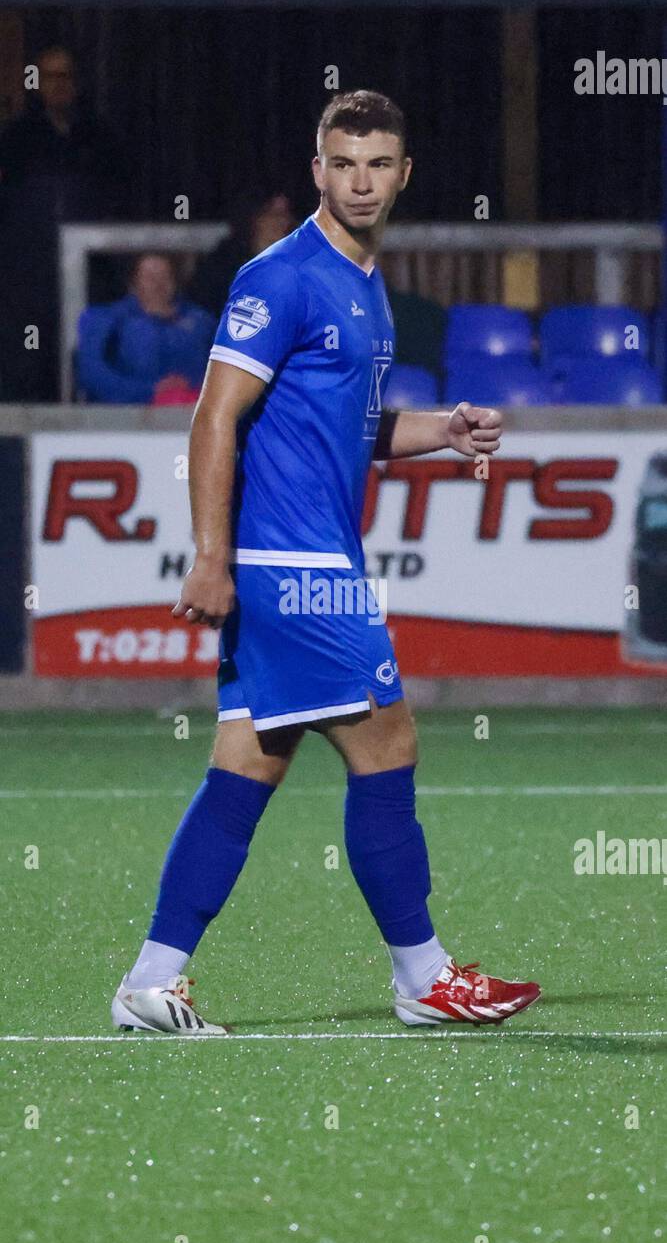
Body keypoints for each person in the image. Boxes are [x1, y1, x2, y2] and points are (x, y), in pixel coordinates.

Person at [112, 90, 540, 1036]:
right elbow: (213, 416)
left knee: (247, 765)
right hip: (287, 563)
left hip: (305, 557)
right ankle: (423, 977)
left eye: (378, 163)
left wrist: (446, 429)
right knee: (386, 742)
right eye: (342, 163)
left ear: (402, 174)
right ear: (318, 171)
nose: (360, 181)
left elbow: (353, 426)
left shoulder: (364, 281)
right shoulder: (284, 277)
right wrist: (213, 559)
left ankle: (151, 979)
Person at [0, 45, 128, 401]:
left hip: (92, 275)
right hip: (27, 281)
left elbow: (118, 200)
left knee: (89, 359)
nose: (59, 85)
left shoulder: (99, 137)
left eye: (66, 76)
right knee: (29, 363)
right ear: (36, 83)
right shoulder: (15, 139)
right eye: (50, 76)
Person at [77, 252, 216, 404]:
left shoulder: (202, 321)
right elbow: (91, 373)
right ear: (134, 282)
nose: (158, 284)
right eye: (150, 277)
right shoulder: (107, 320)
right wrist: (151, 390)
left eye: (165, 276)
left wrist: (192, 388)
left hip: (194, 413)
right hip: (127, 418)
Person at [188, 191, 297, 316]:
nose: (281, 221)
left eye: (285, 214)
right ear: (255, 218)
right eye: (273, 214)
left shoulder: (299, 261)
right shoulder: (224, 262)